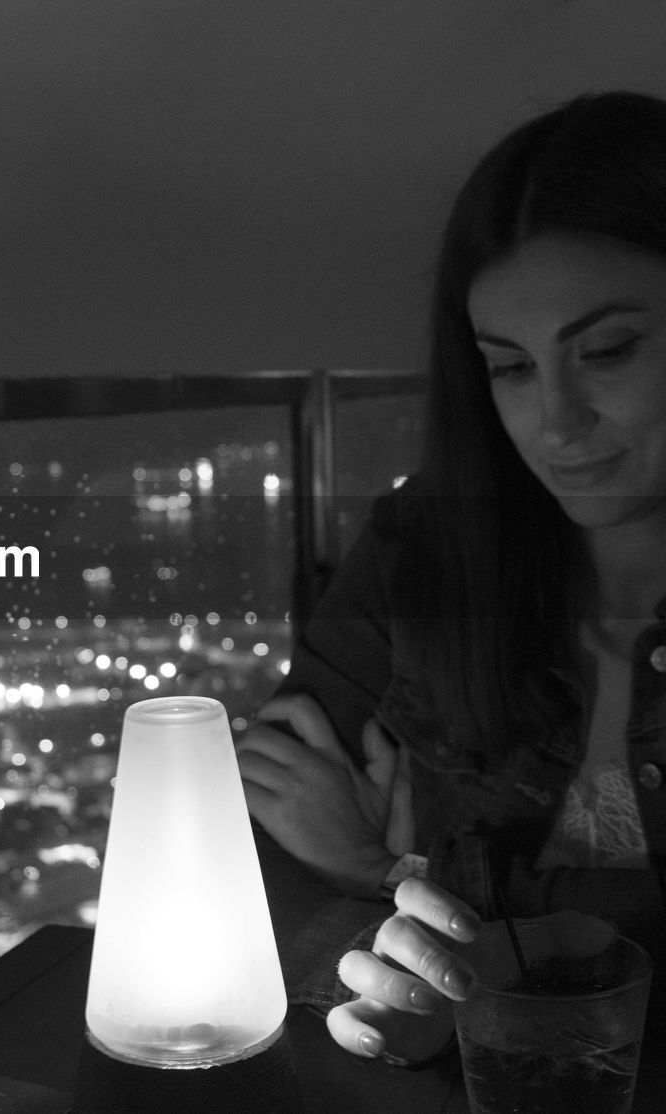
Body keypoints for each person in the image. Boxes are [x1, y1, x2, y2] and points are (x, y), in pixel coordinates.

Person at [234, 89, 666, 1066]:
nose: (555, 424)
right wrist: (361, 953)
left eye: (604, 351)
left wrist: (375, 867)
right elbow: (237, 831)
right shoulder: (424, 547)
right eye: (508, 368)